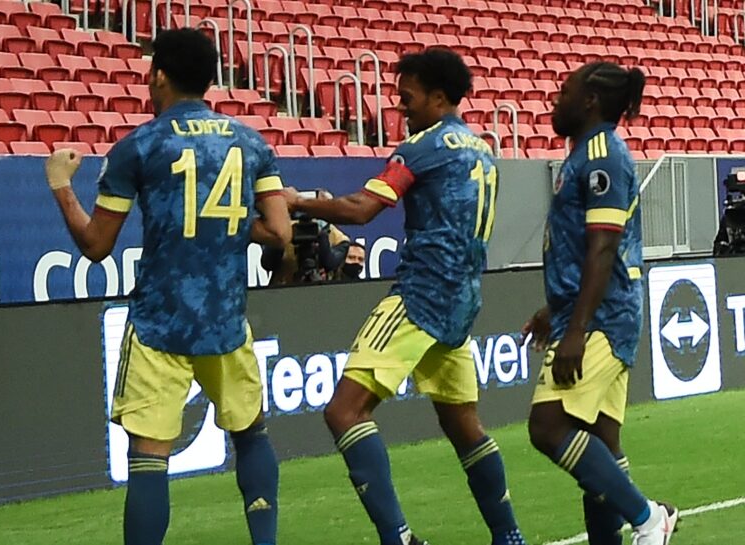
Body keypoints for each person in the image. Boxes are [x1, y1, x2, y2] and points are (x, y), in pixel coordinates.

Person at [42, 28, 292, 545]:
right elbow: (278, 233)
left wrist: (60, 185)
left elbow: (96, 245)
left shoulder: (139, 146)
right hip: (226, 320)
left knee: (149, 457)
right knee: (251, 434)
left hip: (160, 322)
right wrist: (221, 220)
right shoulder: (251, 143)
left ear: (158, 76)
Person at [284, 48, 525, 545]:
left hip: (420, 296)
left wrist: (299, 202)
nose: (401, 107)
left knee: (343, 412)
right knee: (464, 427)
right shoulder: (482, 150)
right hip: (462, 300)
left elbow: (361, 209)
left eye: (408, 97)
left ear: (438, 97)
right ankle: (509, 537)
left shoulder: (422, 147)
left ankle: (398, 539)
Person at [523, 62, 678, 545]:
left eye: (564, 91)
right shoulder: (583, 155)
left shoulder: (603, 155)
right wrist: (556, 309)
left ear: (590, 100)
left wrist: (576, 328)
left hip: (603, 318)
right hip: (598, 311)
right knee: (602, 444)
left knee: (548, 426)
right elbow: (582, 249)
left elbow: (604, 246)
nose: (556, 99)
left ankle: (649, 519)